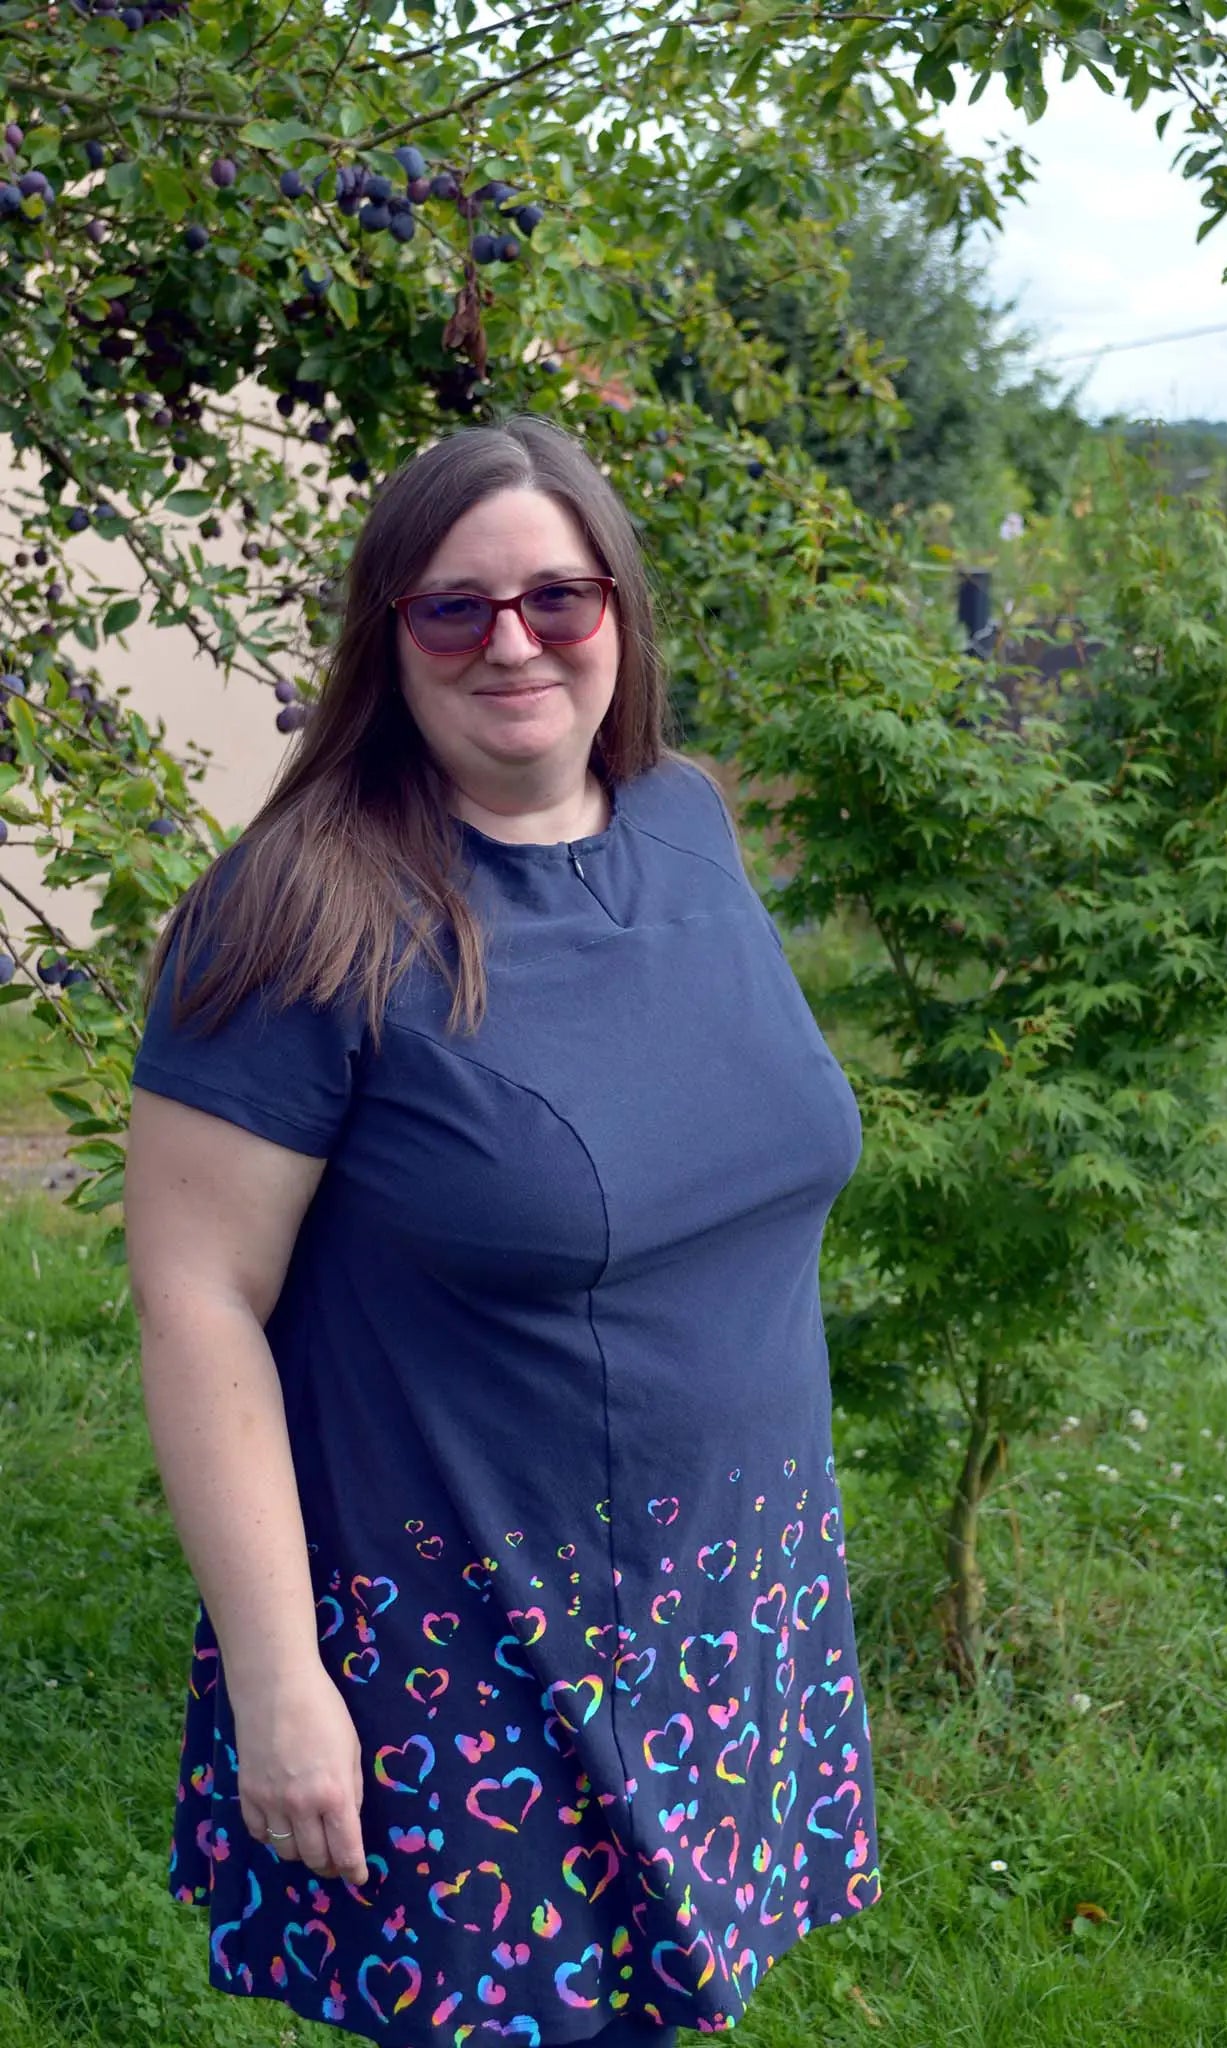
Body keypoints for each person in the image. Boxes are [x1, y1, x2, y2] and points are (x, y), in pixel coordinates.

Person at [123, 413, 883, 2048]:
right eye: (453, 608)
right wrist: (278, 1680)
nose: (512, 643)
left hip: (724, 1597)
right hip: (476, 1639)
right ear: (387, 634)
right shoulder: (297, 913)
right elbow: (196, 1300)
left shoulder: (682, 821)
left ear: (619, 612)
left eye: (556, 597)